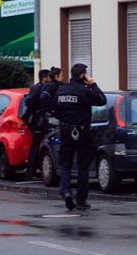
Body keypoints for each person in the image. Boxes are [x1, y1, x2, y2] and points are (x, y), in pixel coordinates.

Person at [53, 63, 107, 210]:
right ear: (83, 75)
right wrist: (93, 84)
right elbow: (102, 100)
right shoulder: (84, 91)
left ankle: (66, 192)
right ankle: (81, 200)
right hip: (82, 132)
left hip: (66, 131)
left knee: (65, 165)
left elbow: (55, 111)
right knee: (83, 166)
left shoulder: (61, 91)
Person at [23, 68, 52, 178]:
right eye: (49, 76)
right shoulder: (38, 88)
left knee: (38, 145)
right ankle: (31, 172)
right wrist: (38, 111)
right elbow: (29, 102)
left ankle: (34, 170)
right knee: (35, 146)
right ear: (44, 78)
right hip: (37, 121)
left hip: (40, 120)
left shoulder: (42, 88)